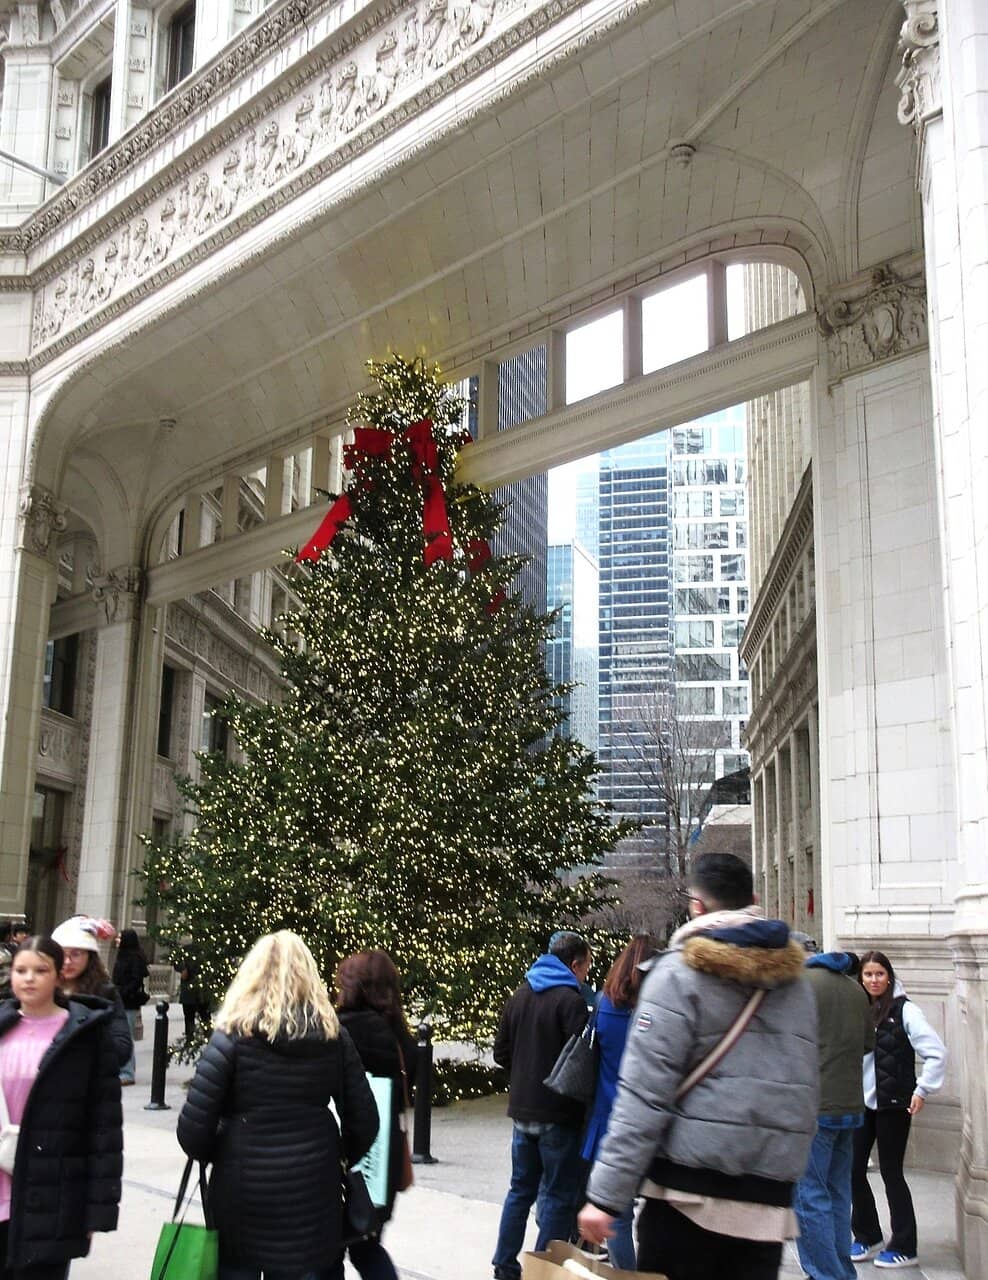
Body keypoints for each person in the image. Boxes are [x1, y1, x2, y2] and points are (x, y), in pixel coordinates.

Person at [578, 852, 818, 1280]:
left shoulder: (674, 976)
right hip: (767, 1203)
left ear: (697, 906)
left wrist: (605, 1196)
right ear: (754, 899)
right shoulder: (796, 986)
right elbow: (804, 1087)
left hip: (684, 1197)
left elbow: (643, 1096)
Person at [177, 930, 379, 1280]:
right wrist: (335, 1154)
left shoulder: (231, 1037)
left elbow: (193, 1133)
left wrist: (227, 1149)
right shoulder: (333, 1037)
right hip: (314, 1193)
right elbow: (365, 1120)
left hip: (242, 1195)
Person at [0, 934, 123, 1278]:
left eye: (40, 970)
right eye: (21, 970)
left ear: (58, 975)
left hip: (52, 1193)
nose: (29, 978)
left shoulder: (85, 1036)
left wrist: (96, 1210)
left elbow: (105, 1128)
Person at [491, 930, 592, 1280]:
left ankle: (504, 1265)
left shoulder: (519, 995)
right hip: (559, 1113)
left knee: (520, 1191)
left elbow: (500, 1052)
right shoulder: (571, 1001)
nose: (586, 975)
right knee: (560, 1197)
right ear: (575, 964)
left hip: (522, 1110)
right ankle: (543, 1270)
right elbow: (581, 1060)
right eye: (587, 967)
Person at [850, 950, 947, 1270]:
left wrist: (922, 1089)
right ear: (860, 978)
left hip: (893, 1105)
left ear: (888, 976)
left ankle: (905, 1244)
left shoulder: (906, 1010)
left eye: (879, 974)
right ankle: (866, 1233)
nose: (874, 980)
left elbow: (936, 1052)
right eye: (868, 975)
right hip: (862, 1104)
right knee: (853, 1170)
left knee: (892, 1173)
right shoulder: (857, 1008)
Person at [334, 950, 418, 1280]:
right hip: (384, 1160)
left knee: (327, 1255)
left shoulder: (339, 1030)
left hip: (341, 1156)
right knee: (367, 1246)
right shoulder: (400, 1038)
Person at [793, 950, 873, 1280]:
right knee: (839, 1193)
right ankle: (841, 1269)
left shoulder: (802, 986)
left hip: (813, 1106)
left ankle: (825, 1274)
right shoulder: (855, 989)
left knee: (810, 1196)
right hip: (851, 1105)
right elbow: (868, 1043)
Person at [580, 933, 656, 1270]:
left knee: (619, 1216)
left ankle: (626, 1275)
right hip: (653, 1123)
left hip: (608, 1119)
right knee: (657, 1213)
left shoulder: (605, 1005)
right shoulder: (659, 1011)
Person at [51, 917, 131, 1069]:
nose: (67, 961)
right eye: (62, 954)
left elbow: (122, 1046)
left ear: (89, 957)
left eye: (75, 954)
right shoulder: (44, 989)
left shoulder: (104, 991)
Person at [111, 928, 149, 1086]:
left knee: (126, 1037)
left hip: (128, 1001)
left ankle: (127, 1072)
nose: (117, 940)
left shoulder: (134, 957)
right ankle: (124, 1070)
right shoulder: (124, 955)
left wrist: (121, 992)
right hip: (122, 1000)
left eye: (120, 937)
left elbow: (136, 980)